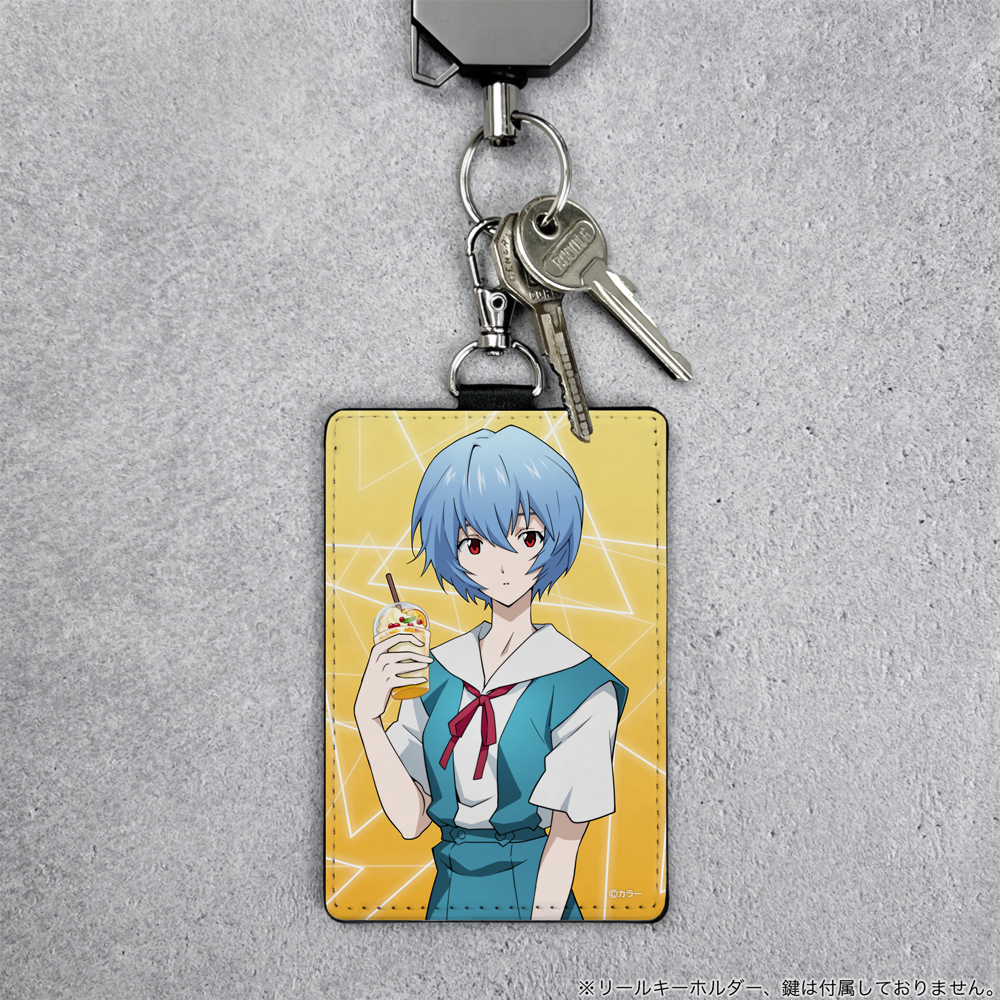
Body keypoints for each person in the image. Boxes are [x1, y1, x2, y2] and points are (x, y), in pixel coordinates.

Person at [353, 425, 627, 921]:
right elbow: (411, 820)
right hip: (445, 896)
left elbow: (565, 844)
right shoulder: (438, 674)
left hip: (534, 896)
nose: (503, 565)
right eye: (475, 544)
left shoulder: (581, 686)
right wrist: (368, 720)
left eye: (527, 538)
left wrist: (540, 939)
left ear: (553, 542)